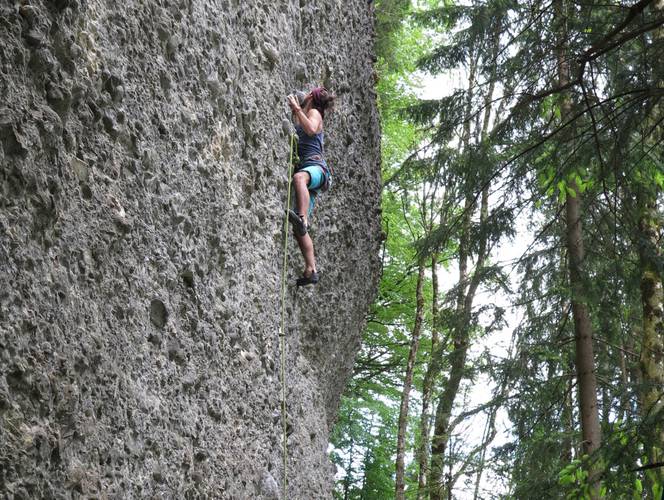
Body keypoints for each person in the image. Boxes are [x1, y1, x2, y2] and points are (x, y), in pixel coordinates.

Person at [286, 86, 335, 286]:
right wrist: (296, 111)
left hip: (316, 168)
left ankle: (303, 218)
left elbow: (312, 129)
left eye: (308, 94)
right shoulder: (306, 114)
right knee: (299, 231)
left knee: (299, 178)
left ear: (312, 99)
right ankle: (311, 269)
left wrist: (297, 108)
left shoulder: (315, 113)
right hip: (313, 174)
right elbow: (302, 127)